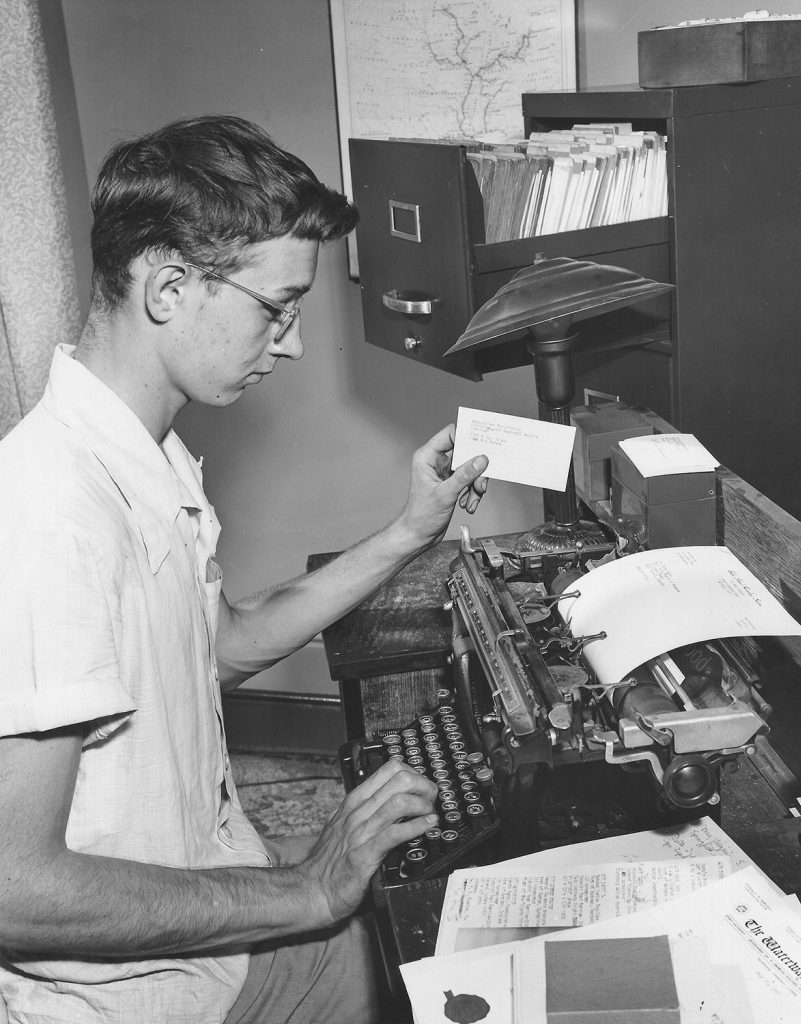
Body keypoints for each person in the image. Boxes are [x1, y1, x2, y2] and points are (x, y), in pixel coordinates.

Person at [0, 115, 488, 1024]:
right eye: (277, 307)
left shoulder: (144, 456)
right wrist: (304, 895)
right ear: (169, 286)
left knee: (446, 896)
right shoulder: (48, 516)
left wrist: (407, 533)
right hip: (151, 1000)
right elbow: (13, 888)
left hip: (205, 901)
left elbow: (213, 650)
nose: (294, 343)